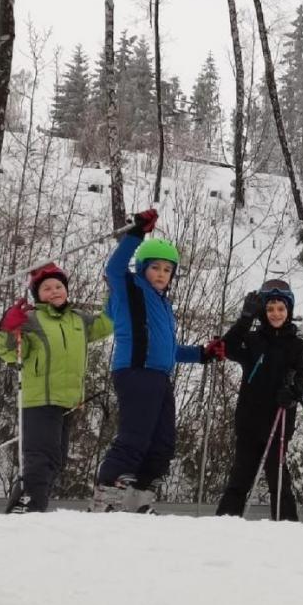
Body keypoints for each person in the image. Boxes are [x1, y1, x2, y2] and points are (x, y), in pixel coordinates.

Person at [93, 209, 218, 512]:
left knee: (162, 444)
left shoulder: (164, 304)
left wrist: (202, 354)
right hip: (135, 372)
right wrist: (136, 234)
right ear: (143, 268)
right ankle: (106, 497)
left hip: (160, 377)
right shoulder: (130, 289)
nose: (162, 274)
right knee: (134, 436)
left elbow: (168, 349)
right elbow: (114, 268)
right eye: (156, 268)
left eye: (167, 269)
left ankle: (138, 500)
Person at [0, 263, 113, 513]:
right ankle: (29, 509)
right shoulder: (31, 319)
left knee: (55, 460)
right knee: (41, 458)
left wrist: (113, 292)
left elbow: (107, 323)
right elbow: (9, 352)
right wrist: (8, 327)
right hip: (39, 400)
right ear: (37, 294)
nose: (55, 291)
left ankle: (27, 504)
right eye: (47, 288)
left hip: (67, 402)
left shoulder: (78, 319)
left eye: (59, 286)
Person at [207, 280, 303, 521]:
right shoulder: (252, 340)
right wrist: (244, 319)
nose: (275, 314)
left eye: (281, 309)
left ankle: (287, 527)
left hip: (279, 420)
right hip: (250, 420)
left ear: (289, 311)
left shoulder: (297, 345)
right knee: (240, 476)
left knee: (278, 478)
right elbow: (227, 348)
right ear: (263, 311)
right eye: (270, 309)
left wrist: (293, 392)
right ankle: (223, 524)